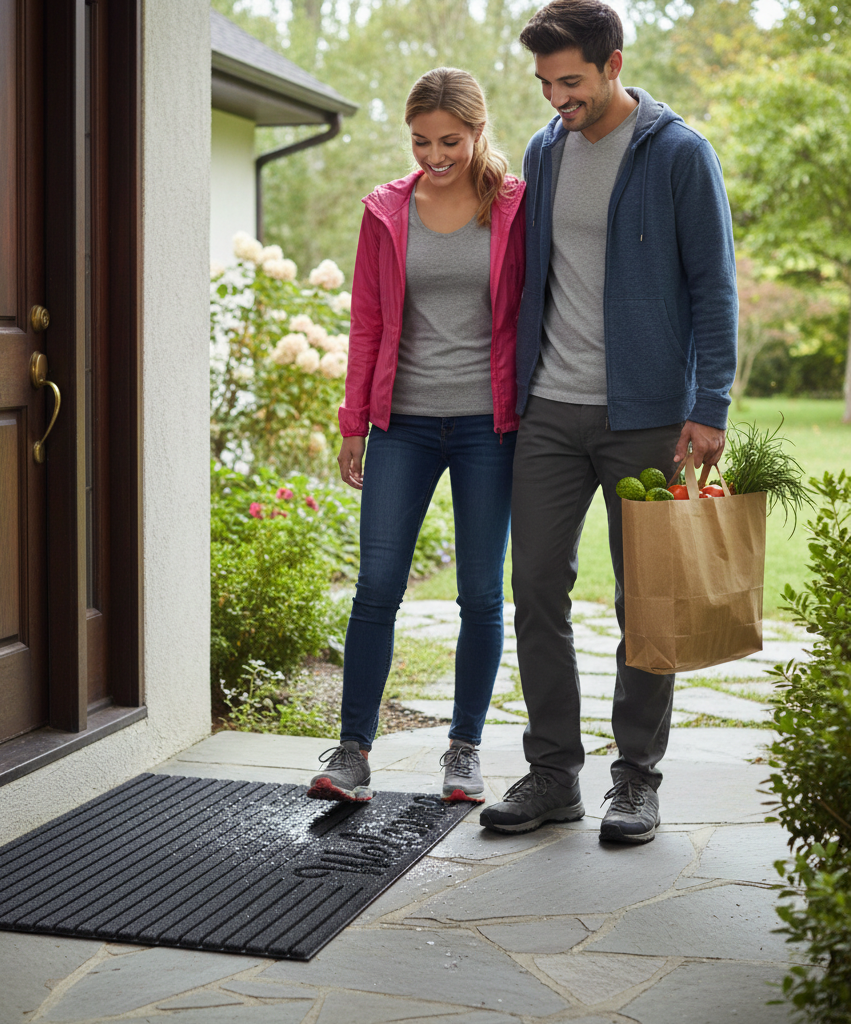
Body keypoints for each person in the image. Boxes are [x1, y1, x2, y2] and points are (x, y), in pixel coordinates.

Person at [479, 0, 738, 843]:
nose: (559, 99)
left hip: (648, 419)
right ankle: (554, 773)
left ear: (614, 64)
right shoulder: (545, 150)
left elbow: (714, 285)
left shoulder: (679, 153)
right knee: (535, 590)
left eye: (573, 82)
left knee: (648, 602)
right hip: (550, 409)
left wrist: (710, 407)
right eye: (548, 83)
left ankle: (637, 779)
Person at [306, 67, 527, 805]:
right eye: (422, 142)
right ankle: (352, 752)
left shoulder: (515, 206)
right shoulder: (386, 212)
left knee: (480, 594)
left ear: (478, 130)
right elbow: (366, 321)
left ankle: (463, 751)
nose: (434, 156)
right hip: (400, 422)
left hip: (486, 428)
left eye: (451, 142)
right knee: (376, 586)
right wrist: (353, 425)